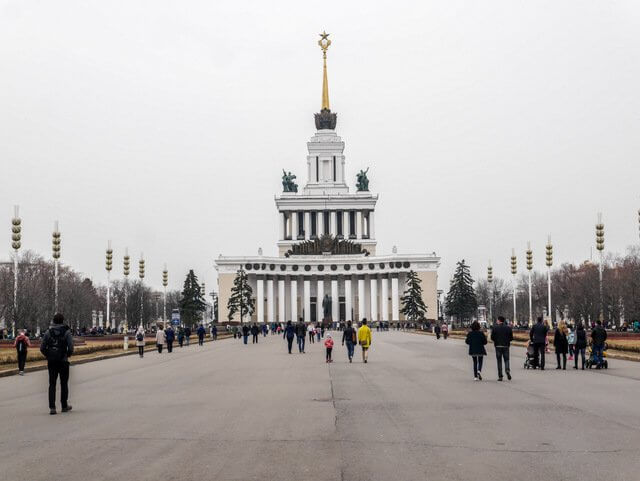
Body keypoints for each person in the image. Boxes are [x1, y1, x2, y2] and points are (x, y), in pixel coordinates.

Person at [40, 313, 74, 415]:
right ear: (63, 321)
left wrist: (49, 355)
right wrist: (67, 355)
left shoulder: (48, 332)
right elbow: (71, 347)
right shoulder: (66, 332)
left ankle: (52, 407)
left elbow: (42, 348)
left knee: (52, 384)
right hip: (63, 361)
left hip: (52, 362)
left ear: (53, 321)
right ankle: (64, 406)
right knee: (64, 384)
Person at [490, 316, 513, 381]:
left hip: (498, 346)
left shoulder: (495, 328)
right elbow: (511, 338)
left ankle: (500, 376)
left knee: (499, 361)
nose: (497, 321)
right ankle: (507, 370)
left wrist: (496, 341)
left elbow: (492, 337)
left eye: (497, 320)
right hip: (506, 346)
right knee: (507, 359)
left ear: (499, 320)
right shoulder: (508, 328)